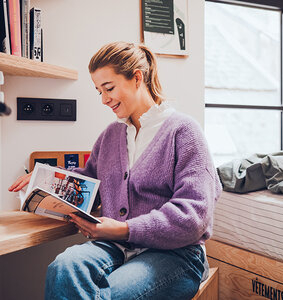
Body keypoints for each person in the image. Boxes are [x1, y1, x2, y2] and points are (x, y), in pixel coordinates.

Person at [9, 41, 222, 300]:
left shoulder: (184, 132)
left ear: (136, 78)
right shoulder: (111, 135)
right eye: (98, 90)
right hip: (115, 248)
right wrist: (47, 181)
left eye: (108, 88)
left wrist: (123, 229)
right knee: (63, 268)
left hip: (176, 254)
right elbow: (91, 184)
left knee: (107, 296)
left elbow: (193, 217)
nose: (104, 99)